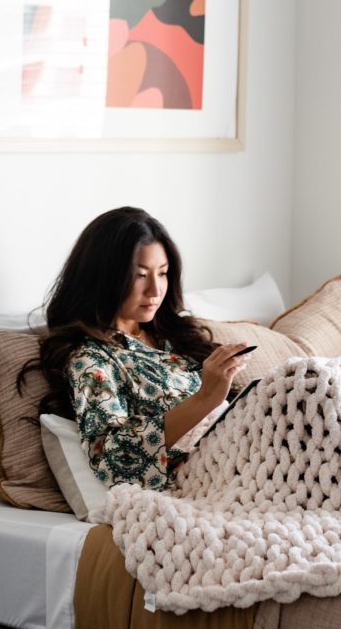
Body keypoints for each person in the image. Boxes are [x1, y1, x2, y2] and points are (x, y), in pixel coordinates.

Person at [27, 206, 253, 491]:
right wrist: (204, 398)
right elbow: (115, 461)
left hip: (249, 453)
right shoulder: (91, 360)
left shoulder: (175, 336)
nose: (155, 290)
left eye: (163, 273)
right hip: (211, 480)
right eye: (140, 275)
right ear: (104, 277)